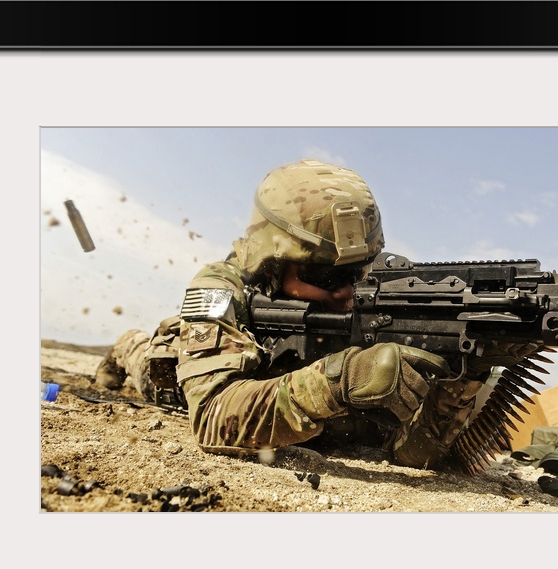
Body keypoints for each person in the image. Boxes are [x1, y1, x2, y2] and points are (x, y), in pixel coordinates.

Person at [95, 158, 511, 469]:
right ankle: (123, 347)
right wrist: (338, 381)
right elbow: (212, 418)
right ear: (273, 262)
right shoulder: (223, 285)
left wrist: (467, 375)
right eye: (324, 275)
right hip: (172, 368)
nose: (348, 290)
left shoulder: (378, 302)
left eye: (357, 271)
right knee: (149, 361)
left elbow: (412, 455)